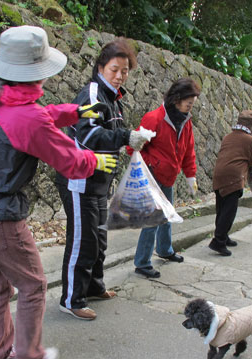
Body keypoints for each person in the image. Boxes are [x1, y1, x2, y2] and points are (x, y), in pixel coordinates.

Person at [0, 26, 115, 359]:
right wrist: (96, 160)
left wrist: (74, 112)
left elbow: (35, 116)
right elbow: (68, 159)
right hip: (0, 220)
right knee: (33, 285)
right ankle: (28, 356)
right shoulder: (29, 117)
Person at [55, 38, 155, 320]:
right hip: (79, 178)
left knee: (99, 238)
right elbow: (87, 136)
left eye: (125, 71)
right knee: (82, 241)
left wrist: (129, 141)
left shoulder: (113, 99)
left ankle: (94, 287)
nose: (120, 75)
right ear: (101, 67)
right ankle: (71, 299)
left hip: (100, 179)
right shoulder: (92, 94)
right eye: (115, 69)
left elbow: (111, 134)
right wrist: (125, 136)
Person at [128, 78, 201, 278]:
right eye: (189, 102)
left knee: (167, 215)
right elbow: (132, 148)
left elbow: (189, 150)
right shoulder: (154, 118)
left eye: (192, 103)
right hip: (151, 176)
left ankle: (165, 250)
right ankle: (142, 262)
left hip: (168, 176)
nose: (190, 106)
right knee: (153, 220)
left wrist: (190, 175)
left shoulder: (186, 121)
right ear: (177, 98)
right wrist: (154, 162)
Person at [209, 110, 252, 256]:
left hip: (219, 175)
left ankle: (223, 237)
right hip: (234, 178)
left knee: (221, 209)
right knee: (229, 211)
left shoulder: (228, 136)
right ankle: (218, 242)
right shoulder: (249, 140)